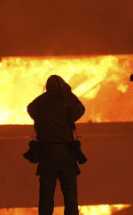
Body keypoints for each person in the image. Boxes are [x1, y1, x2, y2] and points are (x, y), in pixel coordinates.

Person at [27, 75, 86, 215]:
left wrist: (47, 95)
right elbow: (81, 109)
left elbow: (31, 107)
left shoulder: (40, 107)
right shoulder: (69, 107)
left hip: (47, 156)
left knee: (46, 196)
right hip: (66, 155)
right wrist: (69, 93)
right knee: (70, 196)